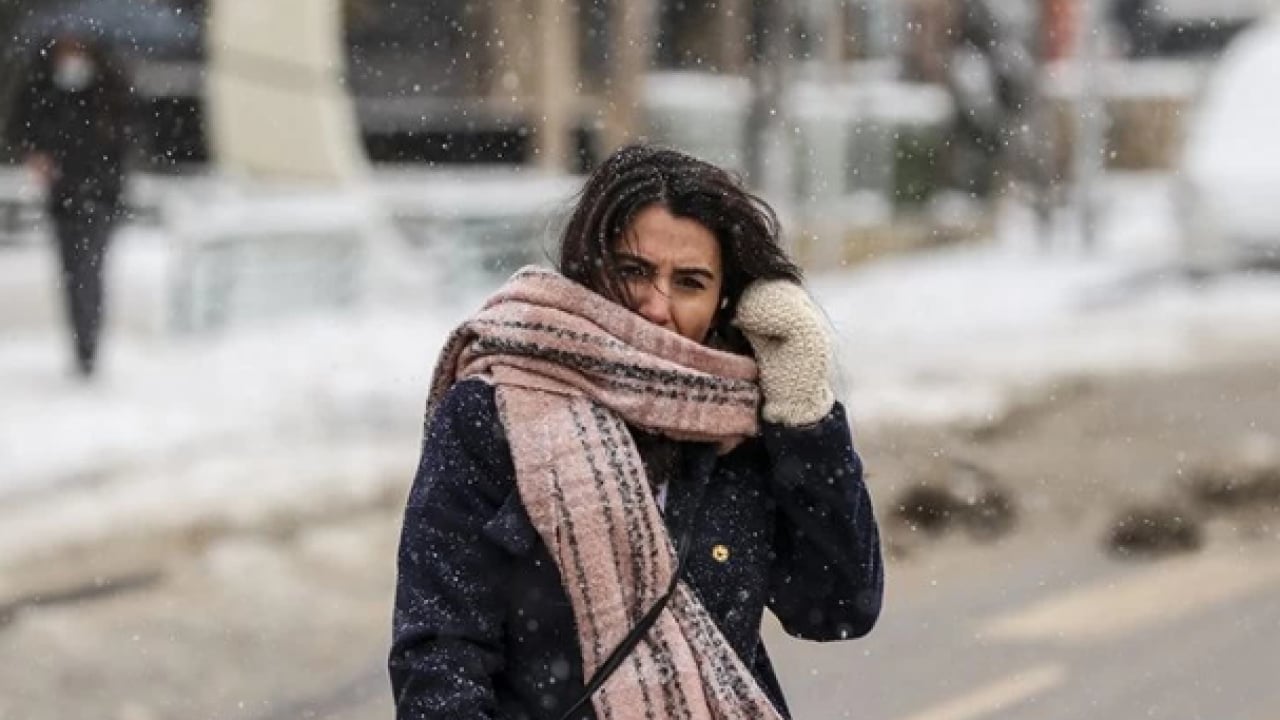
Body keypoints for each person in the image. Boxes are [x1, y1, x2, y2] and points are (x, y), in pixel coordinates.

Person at [390, 145, 883, 720]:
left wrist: (803, 409)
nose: (656, 306)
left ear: (725, 301)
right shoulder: (497, 408)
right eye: (633, 272)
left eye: (690, 282)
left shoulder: (738, 430)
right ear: (588, 269)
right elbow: (440, 651)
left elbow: (839, 606)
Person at [6, 34, 131, 377]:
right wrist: (36, 155)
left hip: (100, 197)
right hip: (63, 197)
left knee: (88, 270)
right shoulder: (44, 87)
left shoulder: (109, 88)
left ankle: (88, 345)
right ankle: (82, 342)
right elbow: (23, 130)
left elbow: (125, 139)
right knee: (73, 271)